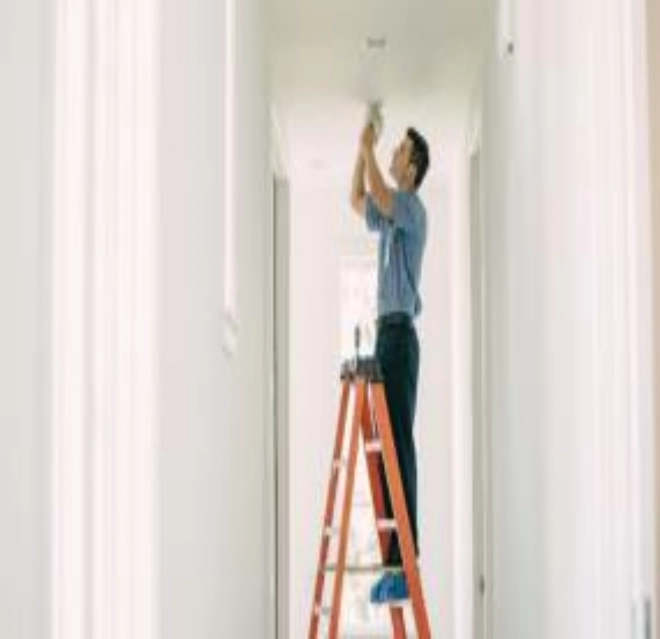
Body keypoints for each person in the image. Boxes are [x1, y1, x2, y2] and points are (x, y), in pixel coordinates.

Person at [349, 121, 430, 604]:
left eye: (399, 150)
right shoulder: (390, 214)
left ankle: (406, 562)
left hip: (399, 339)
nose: (393, 153)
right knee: (383, 449)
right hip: (386, 337)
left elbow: (379, 192)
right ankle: (393, 562)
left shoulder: (412, 209)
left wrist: (366, 146)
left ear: (413, 167)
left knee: (399, 446)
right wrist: (361, 151)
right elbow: (358, 198)